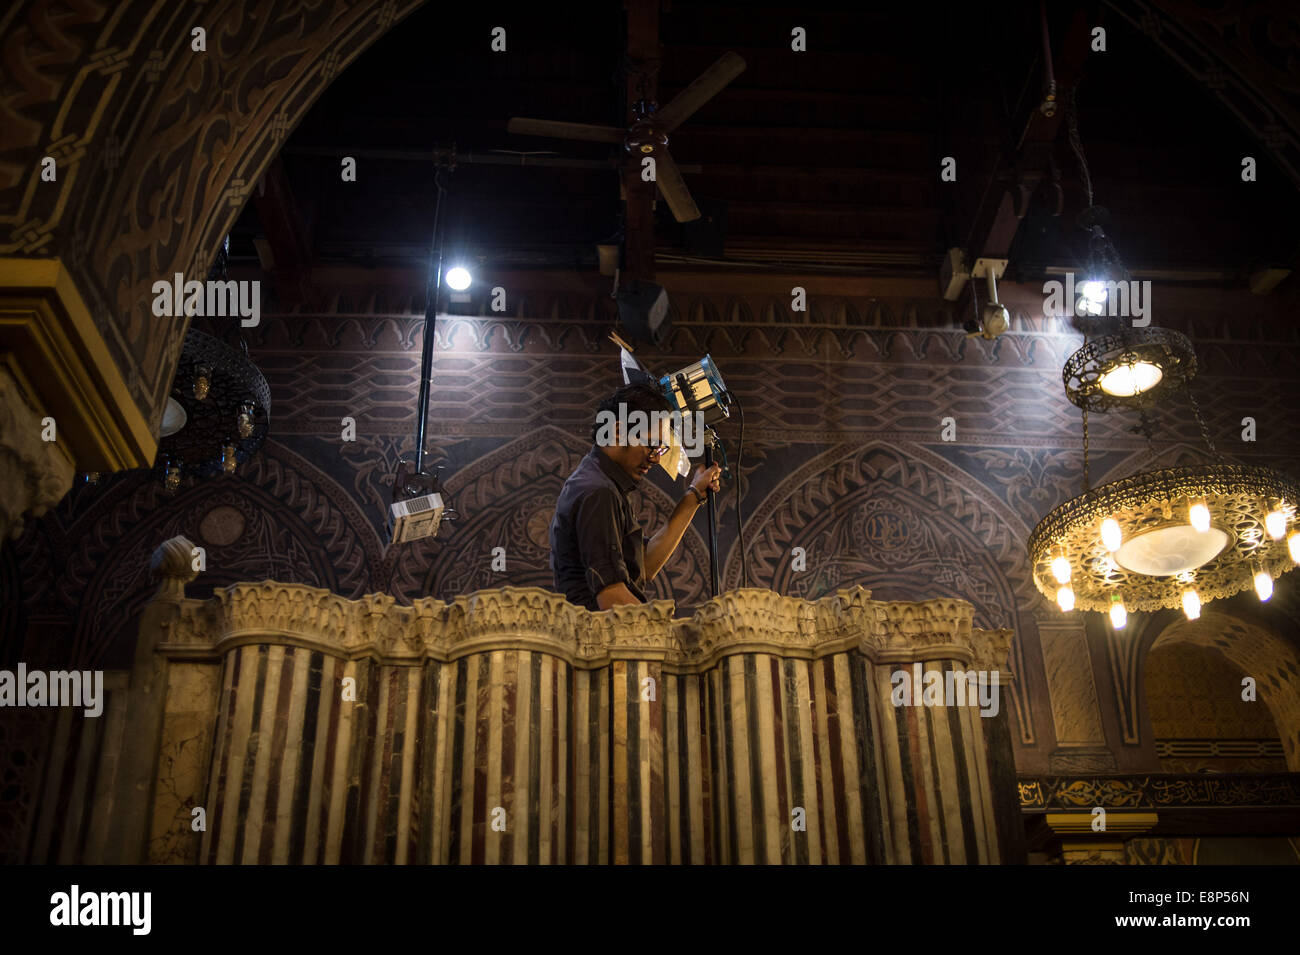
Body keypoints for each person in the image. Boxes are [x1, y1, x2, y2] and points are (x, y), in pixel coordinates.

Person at [549, 383, 721, 610]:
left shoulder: (600, 482)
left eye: (660, 449)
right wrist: (671, 634)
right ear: (619, 431)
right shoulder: (598, 492)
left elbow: (646, 565)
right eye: (651, 445)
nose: (656, 459)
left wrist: (695, 495)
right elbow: (612, 599)